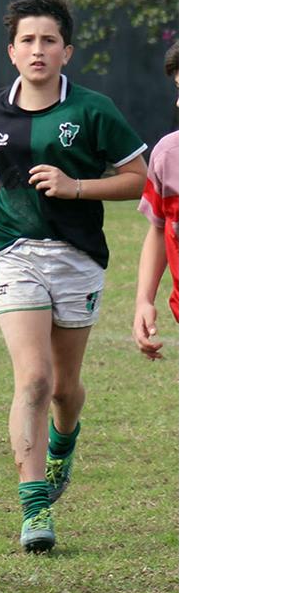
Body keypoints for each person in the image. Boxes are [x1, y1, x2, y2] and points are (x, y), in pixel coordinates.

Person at [0, 0, 148, 553]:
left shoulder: (93, 110)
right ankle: (34, 508)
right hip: (14, 253)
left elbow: (139, 178)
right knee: (32, 378)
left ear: (68, 51)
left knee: (64, 388)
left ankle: (64, 442)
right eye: (28, 41)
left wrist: (75, 186)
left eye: (49, 40)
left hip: (78, 257)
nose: (38, 50)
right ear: (12, 51)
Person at [133, 41, 179, 360]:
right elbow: (160, 229)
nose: (179, 102)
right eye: (179, 88)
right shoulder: (169, 155)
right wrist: (144, 300)